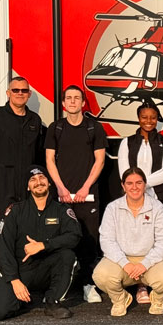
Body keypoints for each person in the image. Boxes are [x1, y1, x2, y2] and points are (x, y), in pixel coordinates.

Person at [0, 166, 80, 321]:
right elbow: (2, 247)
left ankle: (53, 302)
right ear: (28, 186)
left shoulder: (61, 209)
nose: (38, 182)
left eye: (42, 178)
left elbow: (75, 236)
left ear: (49, 183)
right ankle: (21, 300)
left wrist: (44, 245)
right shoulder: (15, 211)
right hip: (21, 270)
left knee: (68, 256)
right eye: (33, 180)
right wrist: (14, 280)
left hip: (48, 268)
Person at [44, 84, 108, 304]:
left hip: (87, 196)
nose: (72, 101)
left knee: (89, 241)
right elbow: (49, 160)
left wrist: (85, 188)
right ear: (63, 104)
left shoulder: (94, 128)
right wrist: (60, 188)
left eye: (76, 98)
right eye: (68, 98)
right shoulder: (55, 128)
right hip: (61, 197)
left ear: (83, 103)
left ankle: (88, 285)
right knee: (58, 240)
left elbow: (100, 160)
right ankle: (57, 288)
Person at [93, 167, 163, 317]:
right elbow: (106, 240)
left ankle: (158, 300)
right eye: (130, 183)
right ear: (123, 185)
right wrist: (125, 263)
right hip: (122, 260)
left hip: (150, 260)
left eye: (139, 183)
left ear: (145, 185)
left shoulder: (157, 208)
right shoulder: (112, 208)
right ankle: (120, 300)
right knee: (101, 275)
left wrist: (144, 264)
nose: (134, 187)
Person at [116, 100, 163, 305]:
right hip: (132, 200)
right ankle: (138, 285)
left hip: (158, 199)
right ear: (138, 118)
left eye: (152, 117)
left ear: (157, 119)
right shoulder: (127, 142)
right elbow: (124, 172)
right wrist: (137, 186)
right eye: (144, 117)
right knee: (135, 241)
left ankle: (153, 283)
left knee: (155, 241)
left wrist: (141, 184)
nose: (148, 121)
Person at [0, 76, 45, 244]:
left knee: (27, 220)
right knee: (1, 221)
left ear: (29, 94)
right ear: (8, 93)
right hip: (1, 180)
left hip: (26, 181)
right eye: (15, 90)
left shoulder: (34, 120)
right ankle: (1, 265)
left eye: (24, 90)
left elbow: (39, 152)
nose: (20, 93)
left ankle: (24, 264)